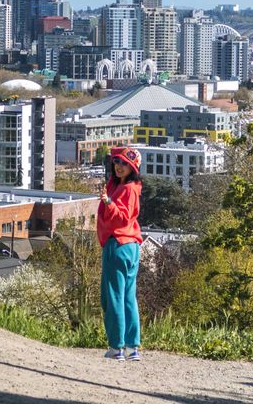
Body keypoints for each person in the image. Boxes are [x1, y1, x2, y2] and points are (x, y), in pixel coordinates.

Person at [97, 145, 143, 362]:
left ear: (133, 167)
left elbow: (122, 217)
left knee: (113, 296)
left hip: (118, 244)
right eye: (116, 162)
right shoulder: (127, 186)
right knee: (127, 297)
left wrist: (108, 202)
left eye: (125, 163)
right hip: (132, 245)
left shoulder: (127, 189)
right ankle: (133, 347)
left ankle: (117, 348)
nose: (119, 166)